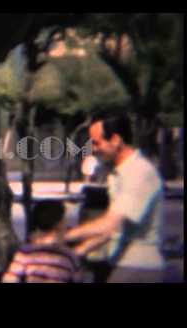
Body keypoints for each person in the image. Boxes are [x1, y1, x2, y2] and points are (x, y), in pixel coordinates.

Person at [64, 114, 165, 283]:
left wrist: (61, 237)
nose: (93, 149)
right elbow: (112, 231)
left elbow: (111, 223)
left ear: (116, 140)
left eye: (96, 142)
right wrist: (76, 252)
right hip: (120, 262)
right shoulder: (118, 173)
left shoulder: (139, 172)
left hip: (138, 267)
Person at [1, 200, 82, 283]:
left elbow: (10, 279)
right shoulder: (69, 257)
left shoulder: (25, 254)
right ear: (59, 224)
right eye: (65, 220)